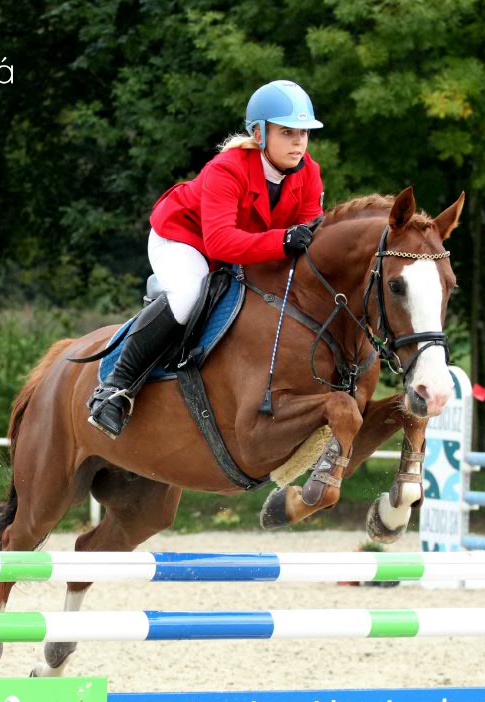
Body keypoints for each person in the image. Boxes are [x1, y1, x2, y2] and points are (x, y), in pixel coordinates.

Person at [87, 79, 325, 438]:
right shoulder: (226, 169)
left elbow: (306, 236)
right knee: (189, 295)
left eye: (303, 133)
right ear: (259, 134)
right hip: (184, 237)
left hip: (247, 247)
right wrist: (283, 240)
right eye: (287, 132)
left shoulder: (309, 172)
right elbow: (219, 243)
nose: (298, 142)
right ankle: (115, 390)